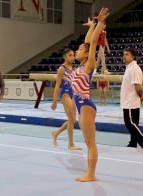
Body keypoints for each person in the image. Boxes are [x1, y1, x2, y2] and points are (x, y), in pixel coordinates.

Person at [72, 8, 109, 182]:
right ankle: (90, 173)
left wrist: (100, 24)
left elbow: (92, 44)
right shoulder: (80, 66)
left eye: (79, 50)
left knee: (90, 143)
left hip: (85, 106)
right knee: (88, 143)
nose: (77, 52)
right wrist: (91, 26)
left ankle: (91, 174)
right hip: (82, 106)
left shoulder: (89, 65)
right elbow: (88, 42)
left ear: (86, 54)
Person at [120, 48, 143, 149]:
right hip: (130, 101)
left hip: (131, 102)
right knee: (134, 124)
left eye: (127, 54)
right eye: (123, 54)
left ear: (133, 56)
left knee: (129, 123)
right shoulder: (129, 68)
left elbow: (138, 86)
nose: (124, 56)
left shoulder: (134, 68)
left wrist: (141, 95)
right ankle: (133, 142)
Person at [51, 48, 82, 150]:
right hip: (65, 94)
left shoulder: (74, 69)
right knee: (72, 119)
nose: (72, 57)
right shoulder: (62, 69)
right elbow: (57, 85)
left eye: (73, 55)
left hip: (73, 94)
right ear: (64, 56)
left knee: (72, 120)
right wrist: (54, 101)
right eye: (70, 55)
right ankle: (70, 144)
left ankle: (56, 132)